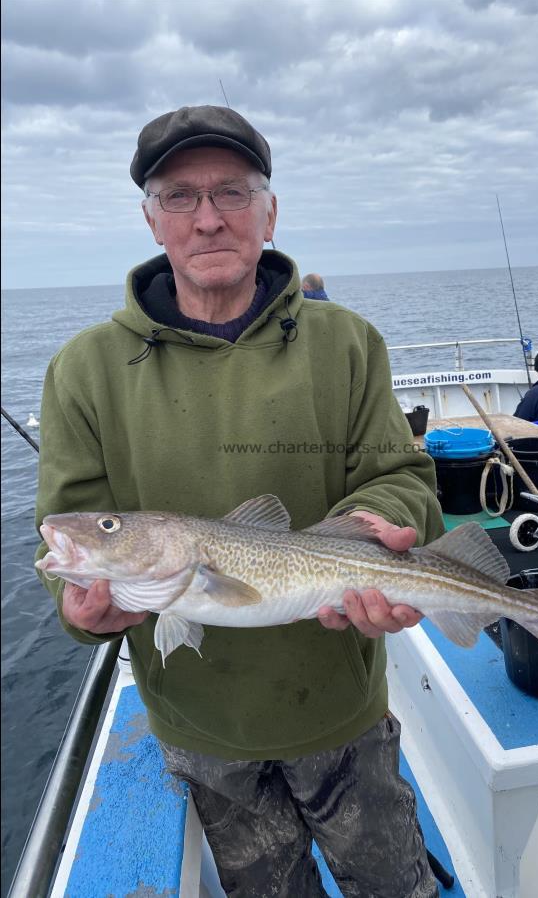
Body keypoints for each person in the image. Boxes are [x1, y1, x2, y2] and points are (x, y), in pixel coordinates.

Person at [35, 104, 445, 897]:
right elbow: (72, 528)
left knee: (392, 884)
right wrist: (76, 604)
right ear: (152, 220)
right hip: (201, 728)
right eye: (179, 197)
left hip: (340, 706)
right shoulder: (82, 369)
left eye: (232, 192)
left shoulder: (347, 343)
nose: (208, 219)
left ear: (270, 210)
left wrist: (379, 532)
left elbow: (399, 474)